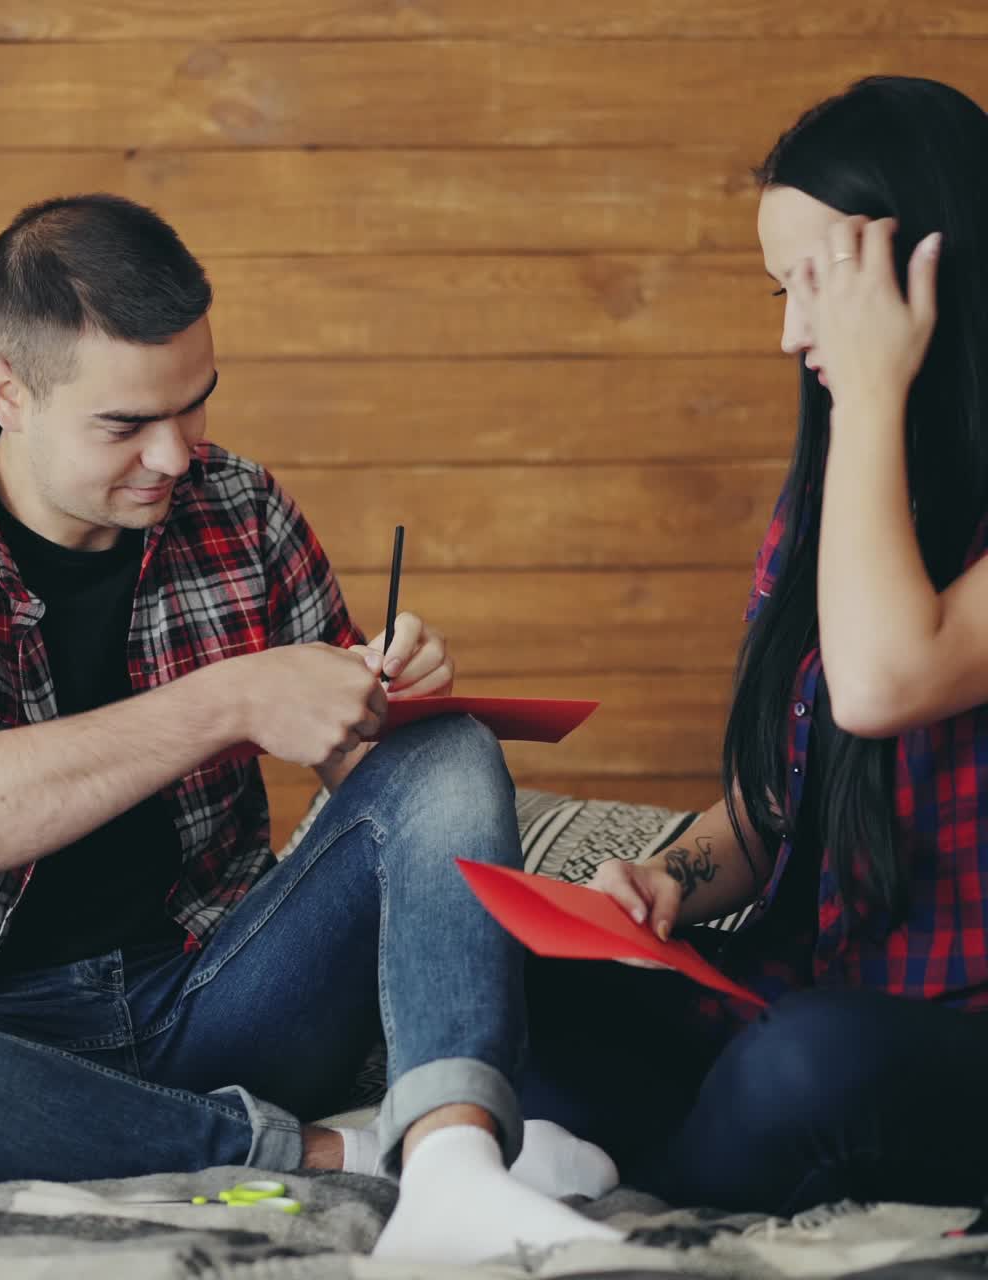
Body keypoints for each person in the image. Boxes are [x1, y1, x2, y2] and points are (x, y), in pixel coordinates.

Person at [0, 193, 620, 1266]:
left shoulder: (242, 508)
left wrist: (381, 708)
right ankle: (331, 1151)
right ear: (9, 391)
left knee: (443, 751)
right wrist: (230, 699)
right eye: (125, 423)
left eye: (194, 405)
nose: (174, 454)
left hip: (227, 990)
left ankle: (452, 1165)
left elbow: (365, 785)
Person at [523, 75, 988, 1215]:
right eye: (778, 289)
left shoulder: (863, 445)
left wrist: (869, 398)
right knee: (537, 986)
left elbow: (883, 682)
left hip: (935, 1039)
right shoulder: (844, 494)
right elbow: (774, 800)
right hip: (813, 988)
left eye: (815, 289)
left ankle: (632, 1209)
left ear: (932, 270)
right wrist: (665, 877)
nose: (789, 332)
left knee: (805, 1063)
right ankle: (626, 1163)